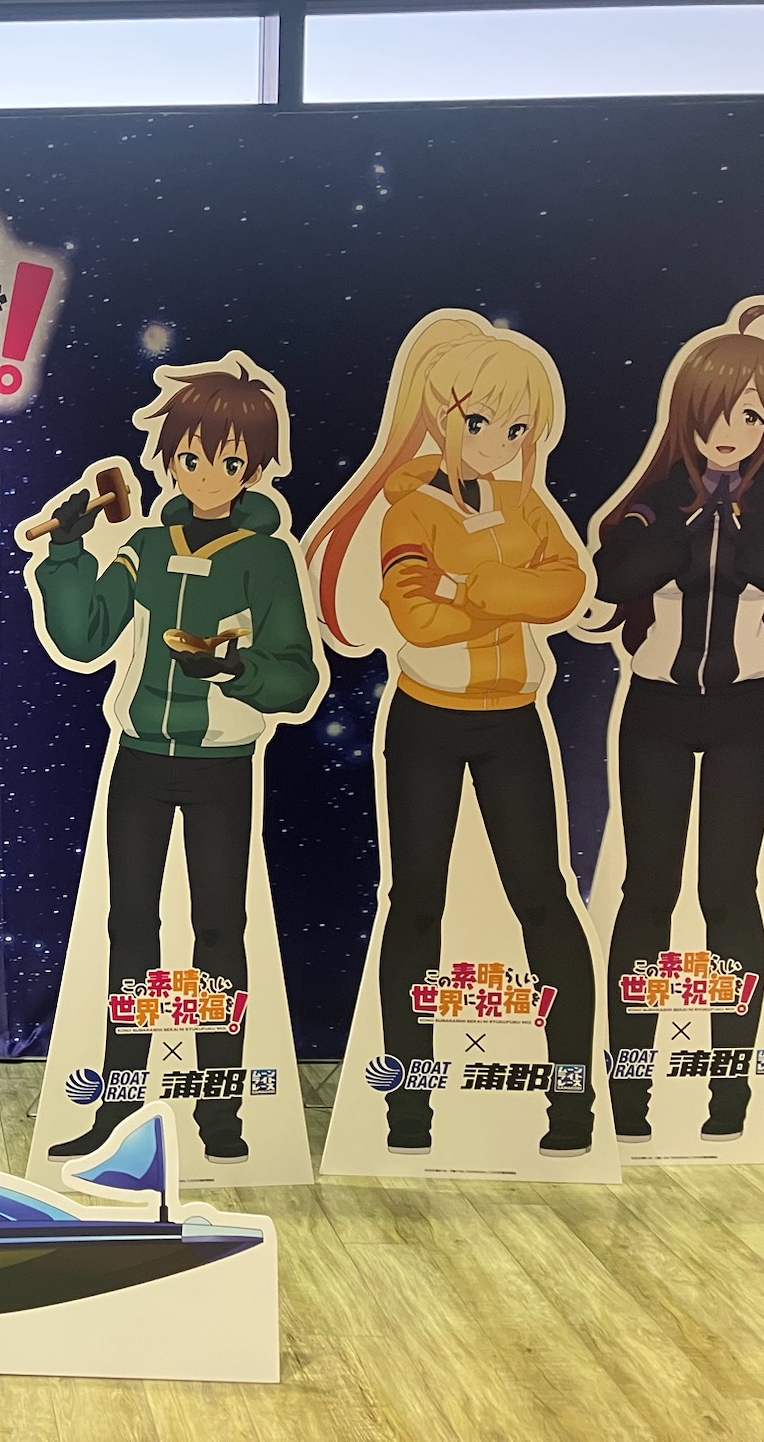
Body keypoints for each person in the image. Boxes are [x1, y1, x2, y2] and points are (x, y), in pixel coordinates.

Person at [307, 312, 596, 1158]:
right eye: (482, 422)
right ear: (443, 415)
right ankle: (408, 1108)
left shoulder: (524, 501)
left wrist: (476, 586)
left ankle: (573, 1101)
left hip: (514, 723)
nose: (499, 442)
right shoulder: (410, 510)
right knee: (415, 904)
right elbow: (417, 619)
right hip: (426, 722)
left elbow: (567, 587)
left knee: (544, 899)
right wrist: (497, 593)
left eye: (517, 429)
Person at [26, 364, 321, 1163]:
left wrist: (234, 669)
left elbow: (296, 678)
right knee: (131, 929)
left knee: (220, 932)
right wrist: (66, 552)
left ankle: (219, 1114)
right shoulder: (146, 547)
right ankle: (119, 1107)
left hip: (223, 762)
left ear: (254, 467)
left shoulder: (266, 558)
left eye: (229, 461)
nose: (207, 474)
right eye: (190, 457)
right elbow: (84, 636)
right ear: (168, 459)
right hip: (140, 762)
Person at [589, 301, 764, 1142]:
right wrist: (696, 521)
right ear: (688, 413)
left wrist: (739, 525)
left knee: (729, 892)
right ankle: (629, 1098)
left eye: (751, 417)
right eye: (717, 414)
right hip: (655, 709)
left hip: (747, 712)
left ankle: (729, 1100)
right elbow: (618, 574)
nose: (730, 433)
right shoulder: (657, 498)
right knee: (648, 891)